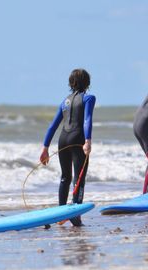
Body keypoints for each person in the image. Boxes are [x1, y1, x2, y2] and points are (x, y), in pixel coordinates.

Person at [39, 69, 95, 226]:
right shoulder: (89, 98)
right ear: (88, 82)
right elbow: (87, 120)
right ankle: (75, 216)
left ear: (71, 83)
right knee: (79, 178)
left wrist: (45, 147)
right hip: (78, 139)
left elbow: (53, 126)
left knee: (65, 177)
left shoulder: (64, 101)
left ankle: (60, 213)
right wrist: (88, 140)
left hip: (63, 140)